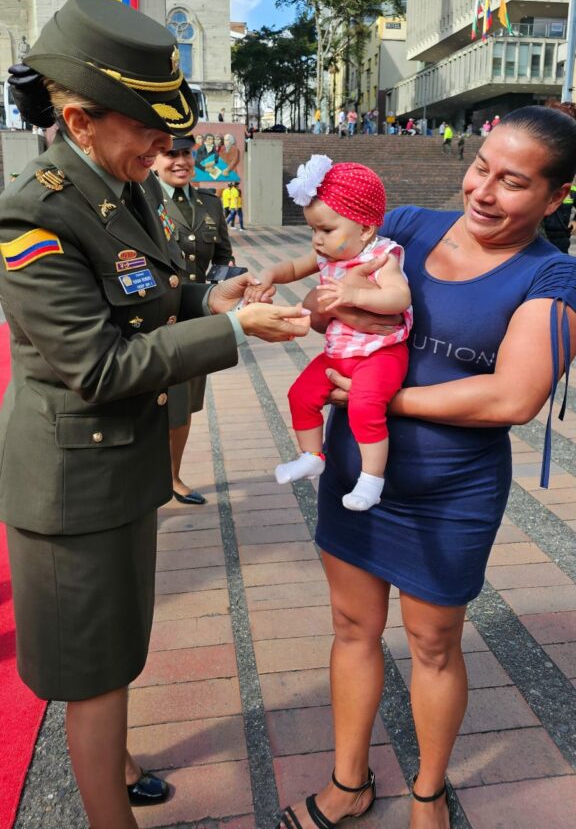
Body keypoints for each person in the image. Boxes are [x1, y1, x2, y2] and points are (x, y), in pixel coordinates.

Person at [0, 0, 310, 829]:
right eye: (147, 127)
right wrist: (233, 330)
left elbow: (153, 292)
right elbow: (97, 366)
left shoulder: (117, 181)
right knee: (95, 672)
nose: (166, 146)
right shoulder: (37, 212)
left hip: (118, 467)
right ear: (79, 118)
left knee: (120, 646)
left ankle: (120, 761)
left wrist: (216, 296)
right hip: (73, 481)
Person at [276, 106, 576, 829]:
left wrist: (388, 399)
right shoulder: (406, 224)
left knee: (434, 645)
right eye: (480, 168)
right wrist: (309, 307)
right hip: (356, 477)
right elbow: (326, 276)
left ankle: (428, 793)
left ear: (554, 197)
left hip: (450, 493)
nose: (482, 191)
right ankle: (349, 782)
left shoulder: (555, 277)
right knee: (352, 626)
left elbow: (514, 395)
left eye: (511, 182)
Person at [246, 157, 412, 511]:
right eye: (312, 230)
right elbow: (292, 266)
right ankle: (311, 455)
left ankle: (371, 479)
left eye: (325, 230)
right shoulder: (327, 256)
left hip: (380, 354)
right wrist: (270, 275)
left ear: (365, 229)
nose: (316, 241)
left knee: (366, 407)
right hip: (339, 353)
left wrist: (355, 294)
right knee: (300, 395)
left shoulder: (383, 257)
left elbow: (400, 296)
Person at [154, 138, 235, 504]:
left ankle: (171, 476)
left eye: (185, 153)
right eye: (170, 154)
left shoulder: (210, 204)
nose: (180, 161)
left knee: (183, 403)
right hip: (152, 320)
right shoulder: (137, 202)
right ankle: (144, 481)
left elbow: (222, 257)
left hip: (194, 319)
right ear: (154, 160)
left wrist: (230, 283)